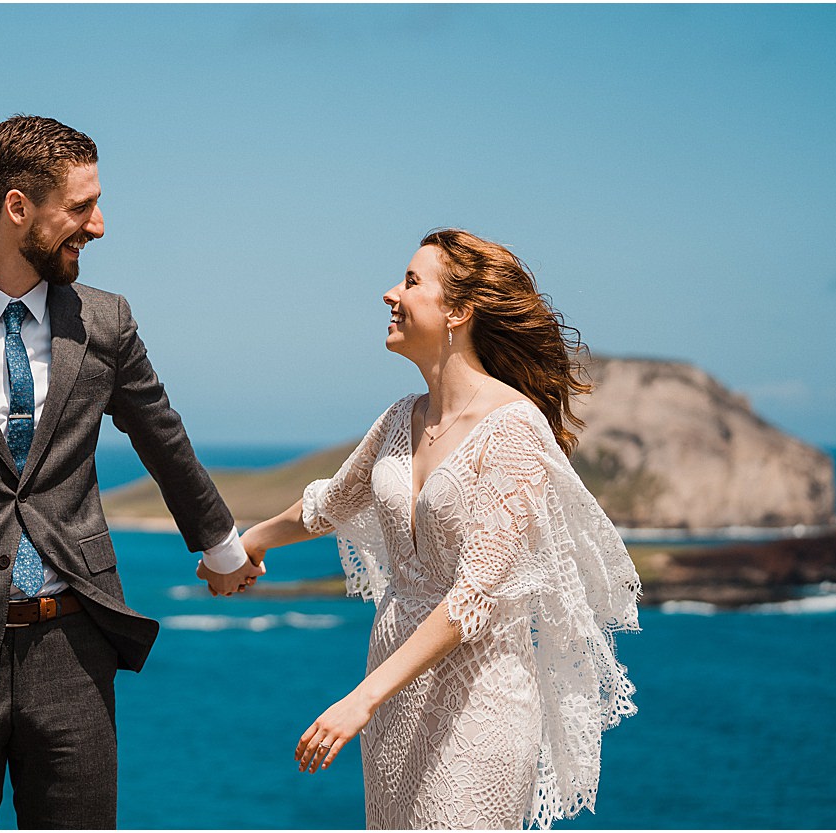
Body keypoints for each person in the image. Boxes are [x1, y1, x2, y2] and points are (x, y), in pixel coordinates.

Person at [0, 114, 264, 828]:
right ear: (18, 206)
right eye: (82, 207)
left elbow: (163, 437)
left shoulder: (107, 320)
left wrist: (222, 548)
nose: (99, 226)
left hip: (75, 651)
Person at [206, 229, 640, 828]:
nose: (390, 293)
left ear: (459, 311)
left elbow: (472, 598)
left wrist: (358, 701)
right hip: (394, 706)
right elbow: (331, 503)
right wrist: (245, 545)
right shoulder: (400, 417)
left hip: (476, 707)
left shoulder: (514, 428)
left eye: (411, 282)